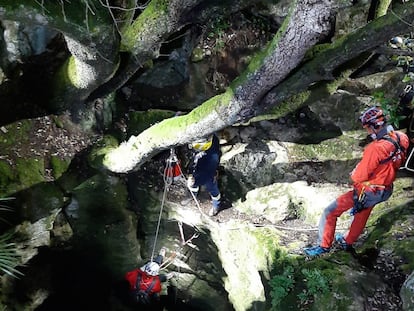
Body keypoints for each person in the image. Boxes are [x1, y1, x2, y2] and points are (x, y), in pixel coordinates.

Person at [304, 106, 409, 257]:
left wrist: (355, 171)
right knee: (362, 214)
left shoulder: (376, 148)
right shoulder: (401, 137)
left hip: (368, 191)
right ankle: (347, 241)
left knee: (330, 212)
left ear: (374, 127)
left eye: (367, 128)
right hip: (385, 189)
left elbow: (358, 176)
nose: (367, 131)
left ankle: (323, 246)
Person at [181, 133, 222, 216]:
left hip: (208, 172)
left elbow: (206, 175)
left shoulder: (212, 155)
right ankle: (192, 195)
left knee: (212, 188)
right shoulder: (202, 136)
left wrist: (193, 181)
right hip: (199, 165)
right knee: (194, 183)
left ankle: (216, 205)